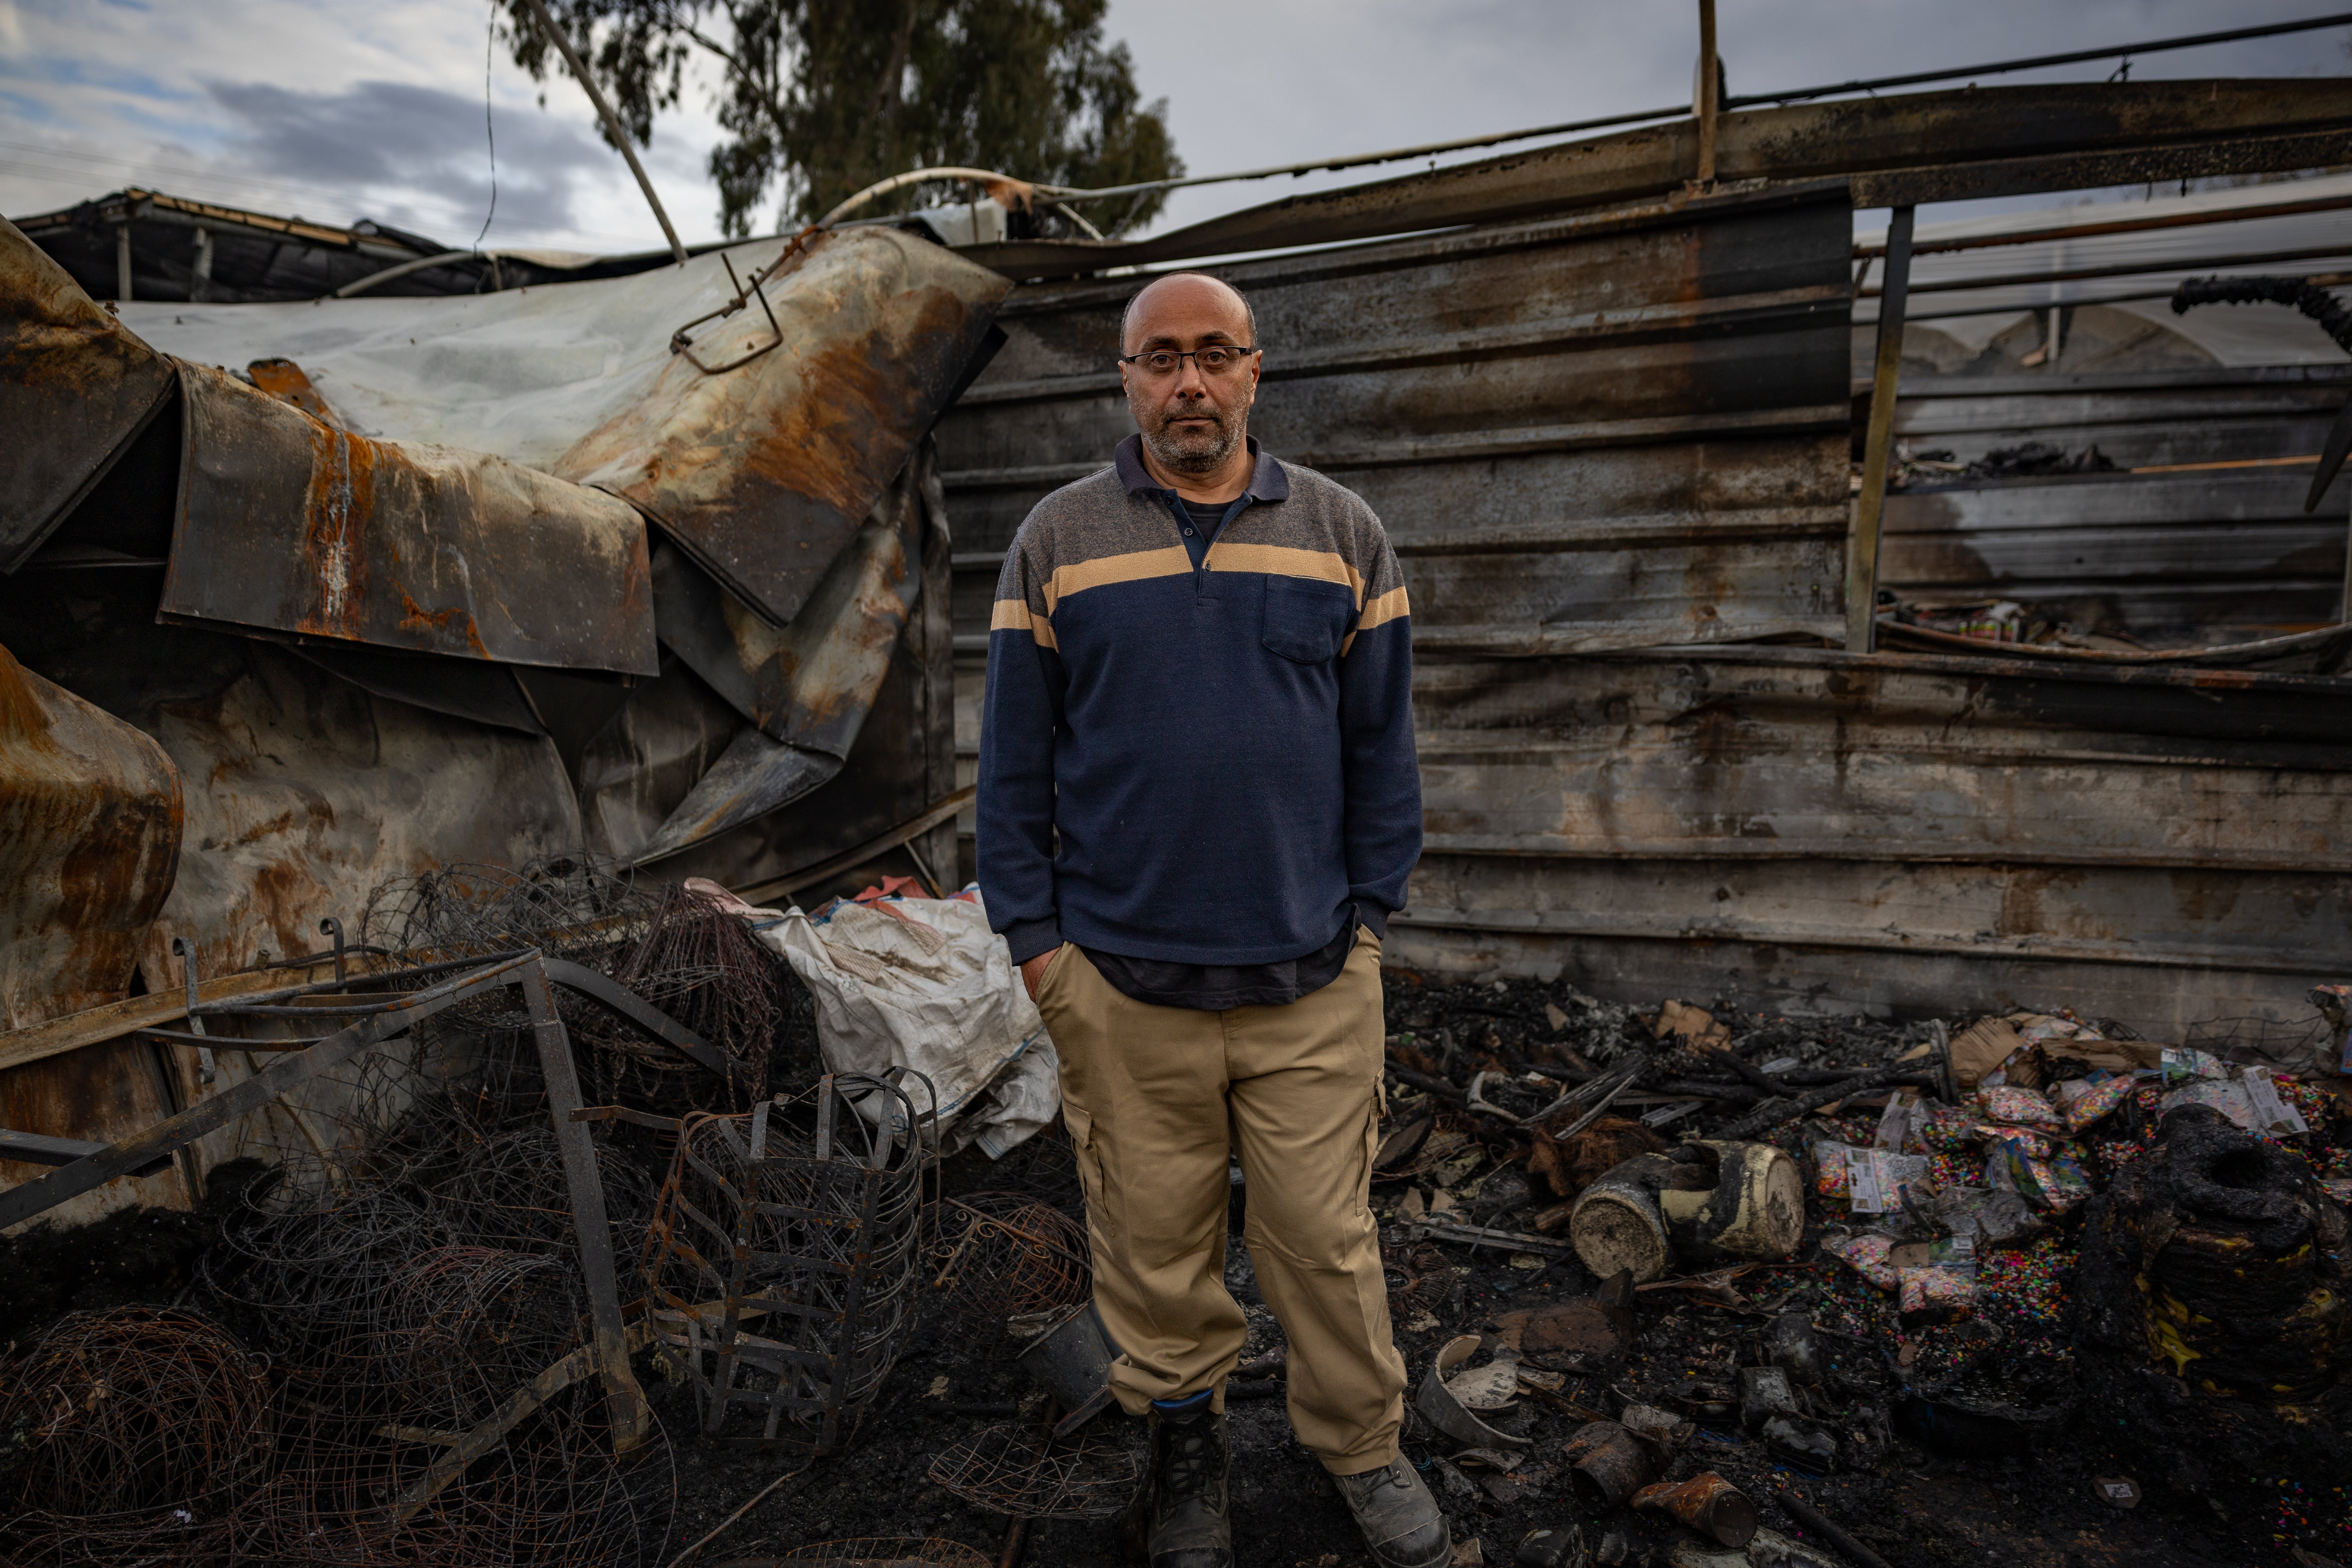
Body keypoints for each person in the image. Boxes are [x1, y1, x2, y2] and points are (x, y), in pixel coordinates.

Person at [977, 272, 1444, 1568]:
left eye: (1213, 358)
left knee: (1325, 1243)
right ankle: (1187, 1453)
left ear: (1254, 374)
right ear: (1125, 382)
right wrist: (1041, 949)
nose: (1189, 383)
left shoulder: (1344, 536)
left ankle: (1362, 1448)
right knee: (1152, 1244)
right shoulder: (1056, 543)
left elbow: (1383, 754)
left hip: (1310, 982)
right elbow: (1012, 769)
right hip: (1123, 988)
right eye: (1160, 360)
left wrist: (1368, 924)